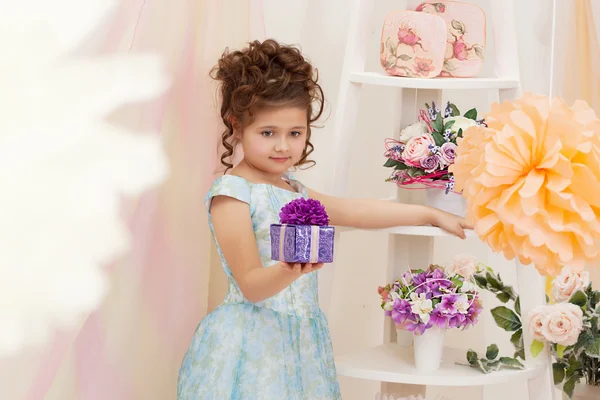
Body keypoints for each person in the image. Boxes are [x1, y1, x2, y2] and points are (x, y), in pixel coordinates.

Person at [177, 39, 472, 400]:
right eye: (268, 133)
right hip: (252, 344)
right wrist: (292, 267)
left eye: (295, 133)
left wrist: (429, 212)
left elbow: (355, 211)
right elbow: (251, 286)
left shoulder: (294, 189)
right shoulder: (232, 193)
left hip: (300, 343)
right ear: (236, 125)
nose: (283, 147)